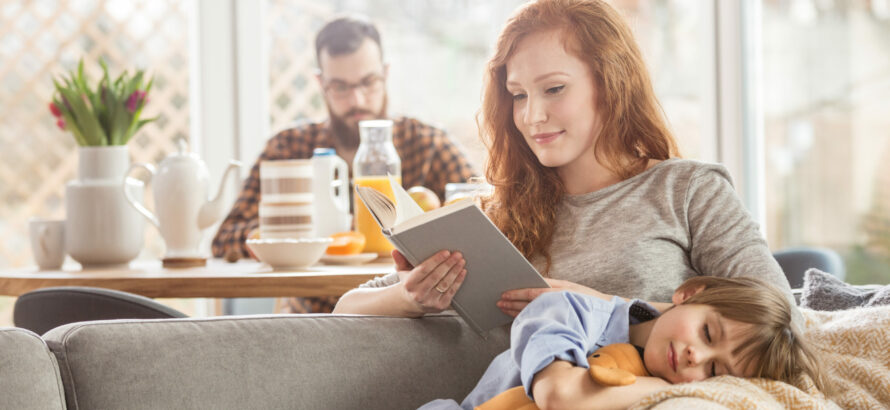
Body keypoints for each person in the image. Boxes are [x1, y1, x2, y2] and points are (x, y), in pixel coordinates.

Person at [332, 0, 794, 317]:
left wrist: (605, 307)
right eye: (517, 95)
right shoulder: (498, 218)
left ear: (611, 83)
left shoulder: (688, 190)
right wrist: (411, 298)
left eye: (554, 89)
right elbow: (346, 308)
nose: (532, 116)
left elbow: (778, 314)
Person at [212, 16, 477, 313]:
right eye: (340, 87)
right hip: (312, 318)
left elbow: (484, 213)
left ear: (385, 74)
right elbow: (225, 238)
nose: (357, 99)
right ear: (320, 83)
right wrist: (309, 234)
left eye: (368, 82)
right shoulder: (290, 148)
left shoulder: (427, 144)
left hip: (409, 320)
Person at [421, 276, 826, 410]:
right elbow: (560, 395)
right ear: (689, 293)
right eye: (707, 333)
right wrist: (667, 386)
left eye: (714, 371)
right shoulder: (567, 311)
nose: (694, 357)